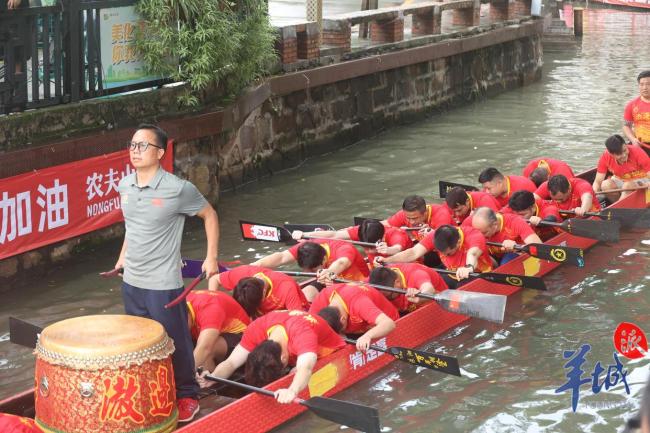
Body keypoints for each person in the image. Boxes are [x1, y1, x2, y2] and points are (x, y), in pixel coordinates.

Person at [115, 124, 220, 422]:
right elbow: (133, 226)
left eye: (143, 146)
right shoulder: (125, 185)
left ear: (160, 152)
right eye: (132, 145)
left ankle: (187, 395)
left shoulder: (178, 189)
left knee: (175, 342)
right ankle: (155, 391)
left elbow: (210, 215)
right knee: (141, 342)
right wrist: (122, 257)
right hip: (131, 281)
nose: (135, 151)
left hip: (163, 284)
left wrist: (211, 258)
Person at [198, 310, 345, 403]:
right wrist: (214, 377)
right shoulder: (256, 328)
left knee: (296, 372)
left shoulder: (302, 334)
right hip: (297, 351)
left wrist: (292, 391)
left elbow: (305, 369)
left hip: (329, 351)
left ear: (283, 359)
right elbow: (231, 362)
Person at [251, 238, 369, 302]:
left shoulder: (342, 247)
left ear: (324, 259)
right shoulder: (306, 248)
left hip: (357, 283)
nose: (309, 274)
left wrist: (328, 272)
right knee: (305, 294)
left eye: (312, 270)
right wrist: (253, 266)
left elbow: (342, 262)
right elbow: (281, 257)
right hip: (328, 279)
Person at [376, 224, 493, 288]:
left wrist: (468, 267)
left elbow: (473, 254)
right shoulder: (436, 235)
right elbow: (413, 253)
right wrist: (387, 260)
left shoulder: (474, 236)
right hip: (452, 273)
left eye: (448, 253)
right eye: (441, 253)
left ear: (458, 243)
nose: (445, 256)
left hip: (476, 274)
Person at [309, 283, 398, 351]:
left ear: (343, 319)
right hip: (357, 328)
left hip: (384, 325)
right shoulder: (321, 300)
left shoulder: (359, 303)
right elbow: (310, 328)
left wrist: (367, 336)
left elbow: (389, 324)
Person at [291, 219, 412, 268]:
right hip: (378, 267)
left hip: (406, 266)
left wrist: (388, 250)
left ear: (382, 237)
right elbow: (334, 235)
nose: (368, 251)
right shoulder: (361, 231)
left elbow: (397, 248)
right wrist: (305, 234)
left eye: (371, 247)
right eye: (365, 246)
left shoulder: (396, 234)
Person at [208, 264, 308, 317]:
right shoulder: (243, 272)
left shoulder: (286, 287)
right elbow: (214, 279)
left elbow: (297, 318)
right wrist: (212, 305)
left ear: (264, 293)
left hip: (283, 317)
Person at [186, 290, 250, 371]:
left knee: (205, 353)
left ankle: (210, 377)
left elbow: (205, 348)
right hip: (214, 327)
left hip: (240, 335)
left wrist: (186, 374)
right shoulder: (182, 302)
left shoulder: (210, 310)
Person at [466, 207, 542, 265]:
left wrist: (516, 248)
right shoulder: (470, 222)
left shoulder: (514, 222)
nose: (480, 237)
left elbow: (539, 247)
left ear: (495, 225)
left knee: (506, 262)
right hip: (492, 257)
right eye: (477, 232)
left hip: (515, 255)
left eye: (484, 233)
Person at [368, 263, 448, 313]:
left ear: (397, 282)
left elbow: (429, 289)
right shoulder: (374, 281)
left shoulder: (415, 274)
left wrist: (420, 297)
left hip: (439, 307)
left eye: (388, 297)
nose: (385, 300)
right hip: (408, 311)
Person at [592, 134, 650, 203]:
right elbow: (597, 182)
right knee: (605, 185)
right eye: (619, 154)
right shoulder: (605, 157)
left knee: (627, 186)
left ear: (625, 145)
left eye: (625, 150)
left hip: (642, 179)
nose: (624, 155)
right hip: (621, 179)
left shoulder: (637, 152)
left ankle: (618, 206)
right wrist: (593, 194)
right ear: (611, 154)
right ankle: (619, 205)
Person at [383, 194, 453, 241]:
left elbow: (444, 240)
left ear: (425, 213)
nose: (411, 222)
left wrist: (433, 234)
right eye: (408, 218)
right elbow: (384, 225)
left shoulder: (442, 215)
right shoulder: (406, 213)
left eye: (415, 218)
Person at [535, 174, 601, 216]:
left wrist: (583, 209)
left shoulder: (581, 185)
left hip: (589, 216)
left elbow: (587, 197)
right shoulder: (547, 186)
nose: (558, 201)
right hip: (564, 219)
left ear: (569, 189)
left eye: (561, 199)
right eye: (554, 199)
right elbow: (532, 199)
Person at [623, 70, 650, 156]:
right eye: (641, 84)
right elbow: (626, 126)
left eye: (648, 84)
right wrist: (633, 139)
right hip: (639, 145)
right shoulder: (631, 105)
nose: (645, 87)